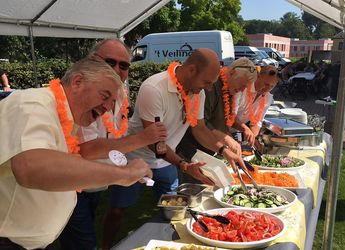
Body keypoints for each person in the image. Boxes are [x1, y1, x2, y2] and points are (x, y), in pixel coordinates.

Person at [0, 58, 152, 250]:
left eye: (112, 102)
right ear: (77, 82)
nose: (107, 108)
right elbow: (31, 166)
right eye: (105, 96)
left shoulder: (69, 120)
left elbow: (63, 168)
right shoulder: (31, 102)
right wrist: (124, 175)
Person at [102, 48, 245, 249]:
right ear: (192, 70)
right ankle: (107, 246)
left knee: (176, 211)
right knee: (118, 210)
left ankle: (166, 243)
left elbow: (200, 129)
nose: (210, 88)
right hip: (134, 158)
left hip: (166, 160)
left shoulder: (199, 92)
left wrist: (224, 151)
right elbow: (154, 141)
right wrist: (184, 165)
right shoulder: (154, 87)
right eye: (207, 81)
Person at [59, 39, 167, 250]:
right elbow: (88, 149)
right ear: (92, 61)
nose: (118, 69)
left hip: (97, 183)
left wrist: (129, 169)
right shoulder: (83, 94)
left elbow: (114, 140)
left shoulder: (120, 95)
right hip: (72, 185)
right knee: (83, 243)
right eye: (110, 62)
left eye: (124, 65)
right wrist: (144, 139)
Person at [176, 57, 258, 161]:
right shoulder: (212, 85)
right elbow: (201, 123)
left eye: (245, 87)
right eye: (242, 85)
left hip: (210, 150)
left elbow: (223, 121)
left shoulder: (230, 90)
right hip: (192, 151)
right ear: (232, 73)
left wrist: (229, 137)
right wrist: (226, 139)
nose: (242, 90)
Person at [235, 65, 280, 143]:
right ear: (258, 76)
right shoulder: (243, 88)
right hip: (221, 129)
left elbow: (257, 122)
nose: (268, 89)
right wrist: (245, 129)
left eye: (272, 86)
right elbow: (230, 116)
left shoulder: (268, 98)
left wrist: (253, 139)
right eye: (266, 84)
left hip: (238, 133)